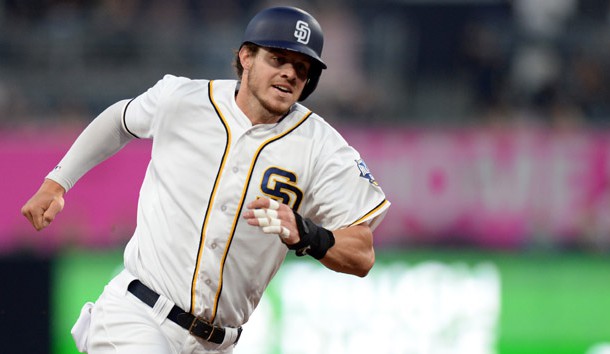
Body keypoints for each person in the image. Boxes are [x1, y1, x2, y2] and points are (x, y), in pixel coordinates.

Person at [21, 6, 390, 354]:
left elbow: (362, 252)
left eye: (302, 66)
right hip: (136, 312)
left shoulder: (322, 148)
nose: (290, 73)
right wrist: (58, 181)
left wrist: (307, 233)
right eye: (278, 59)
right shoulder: (183, 99)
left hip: (219, 343)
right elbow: (120, 119)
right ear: (246, 57)